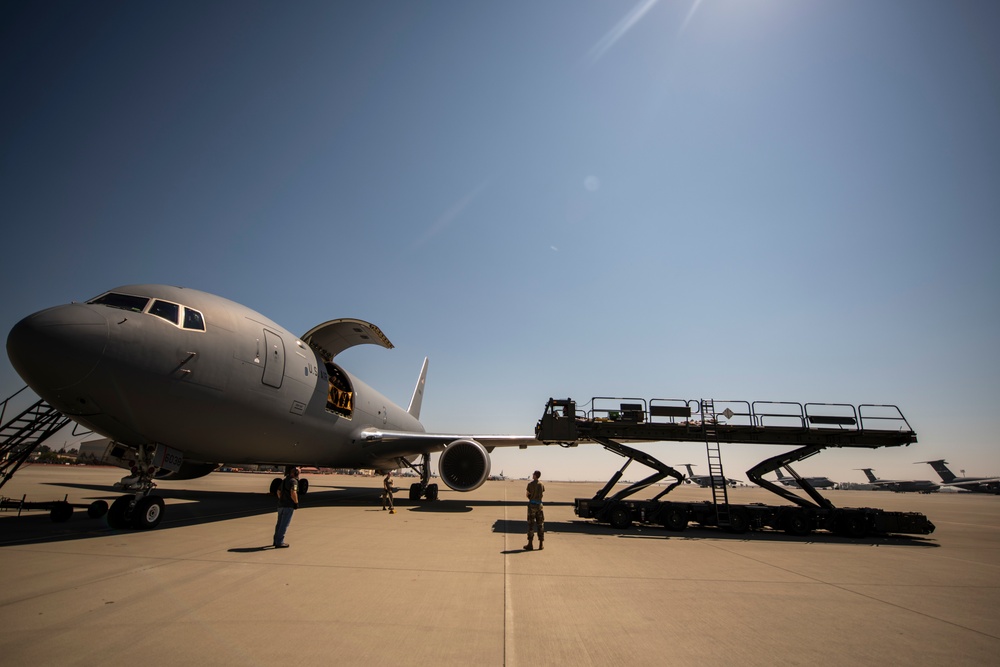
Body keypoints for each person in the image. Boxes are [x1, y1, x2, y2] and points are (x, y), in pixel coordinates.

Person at [273, 465, 299, 548]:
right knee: (284, 524)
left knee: (279, 524)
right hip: (288, 506)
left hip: (281, 505)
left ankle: (276, 540)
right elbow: (293, 492)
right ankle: (279, 542)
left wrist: (282, 499)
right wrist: (296, 502)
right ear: (295, 473)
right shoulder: (294, 481)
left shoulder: (284, 480)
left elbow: (278, 491)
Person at [525, 470, 545, 551]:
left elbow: (527, 494)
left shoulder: (530, 484)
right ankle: (541, 544)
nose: (532, 475)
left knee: (531, 525)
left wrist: (531, 498)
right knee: (540, 525)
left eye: (533, 474)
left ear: (535, 475)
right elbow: (542, 494)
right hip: (539, 506)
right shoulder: (541, 485)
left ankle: (530, 544)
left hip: (532, 506)